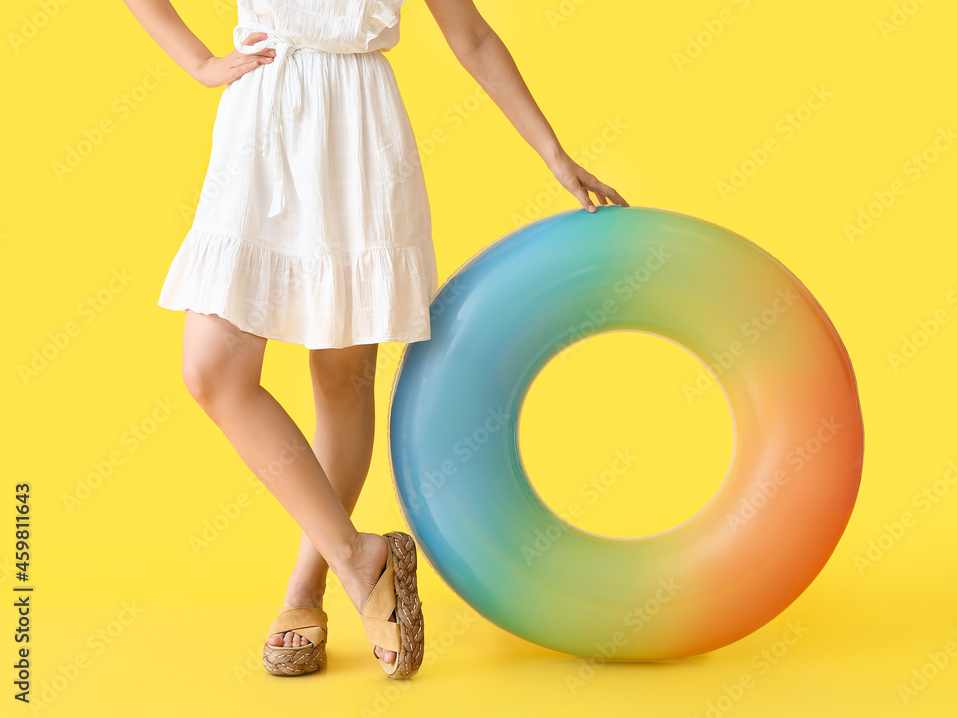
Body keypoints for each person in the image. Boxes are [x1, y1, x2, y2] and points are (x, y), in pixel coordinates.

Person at [121, 0, 629, 679]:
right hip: (260, 127)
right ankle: (361, 558)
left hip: (357, 135)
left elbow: (471, 36)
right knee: (213, 371)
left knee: (339, 382)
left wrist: (554, 153)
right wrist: (199, 61)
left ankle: (307, 591)